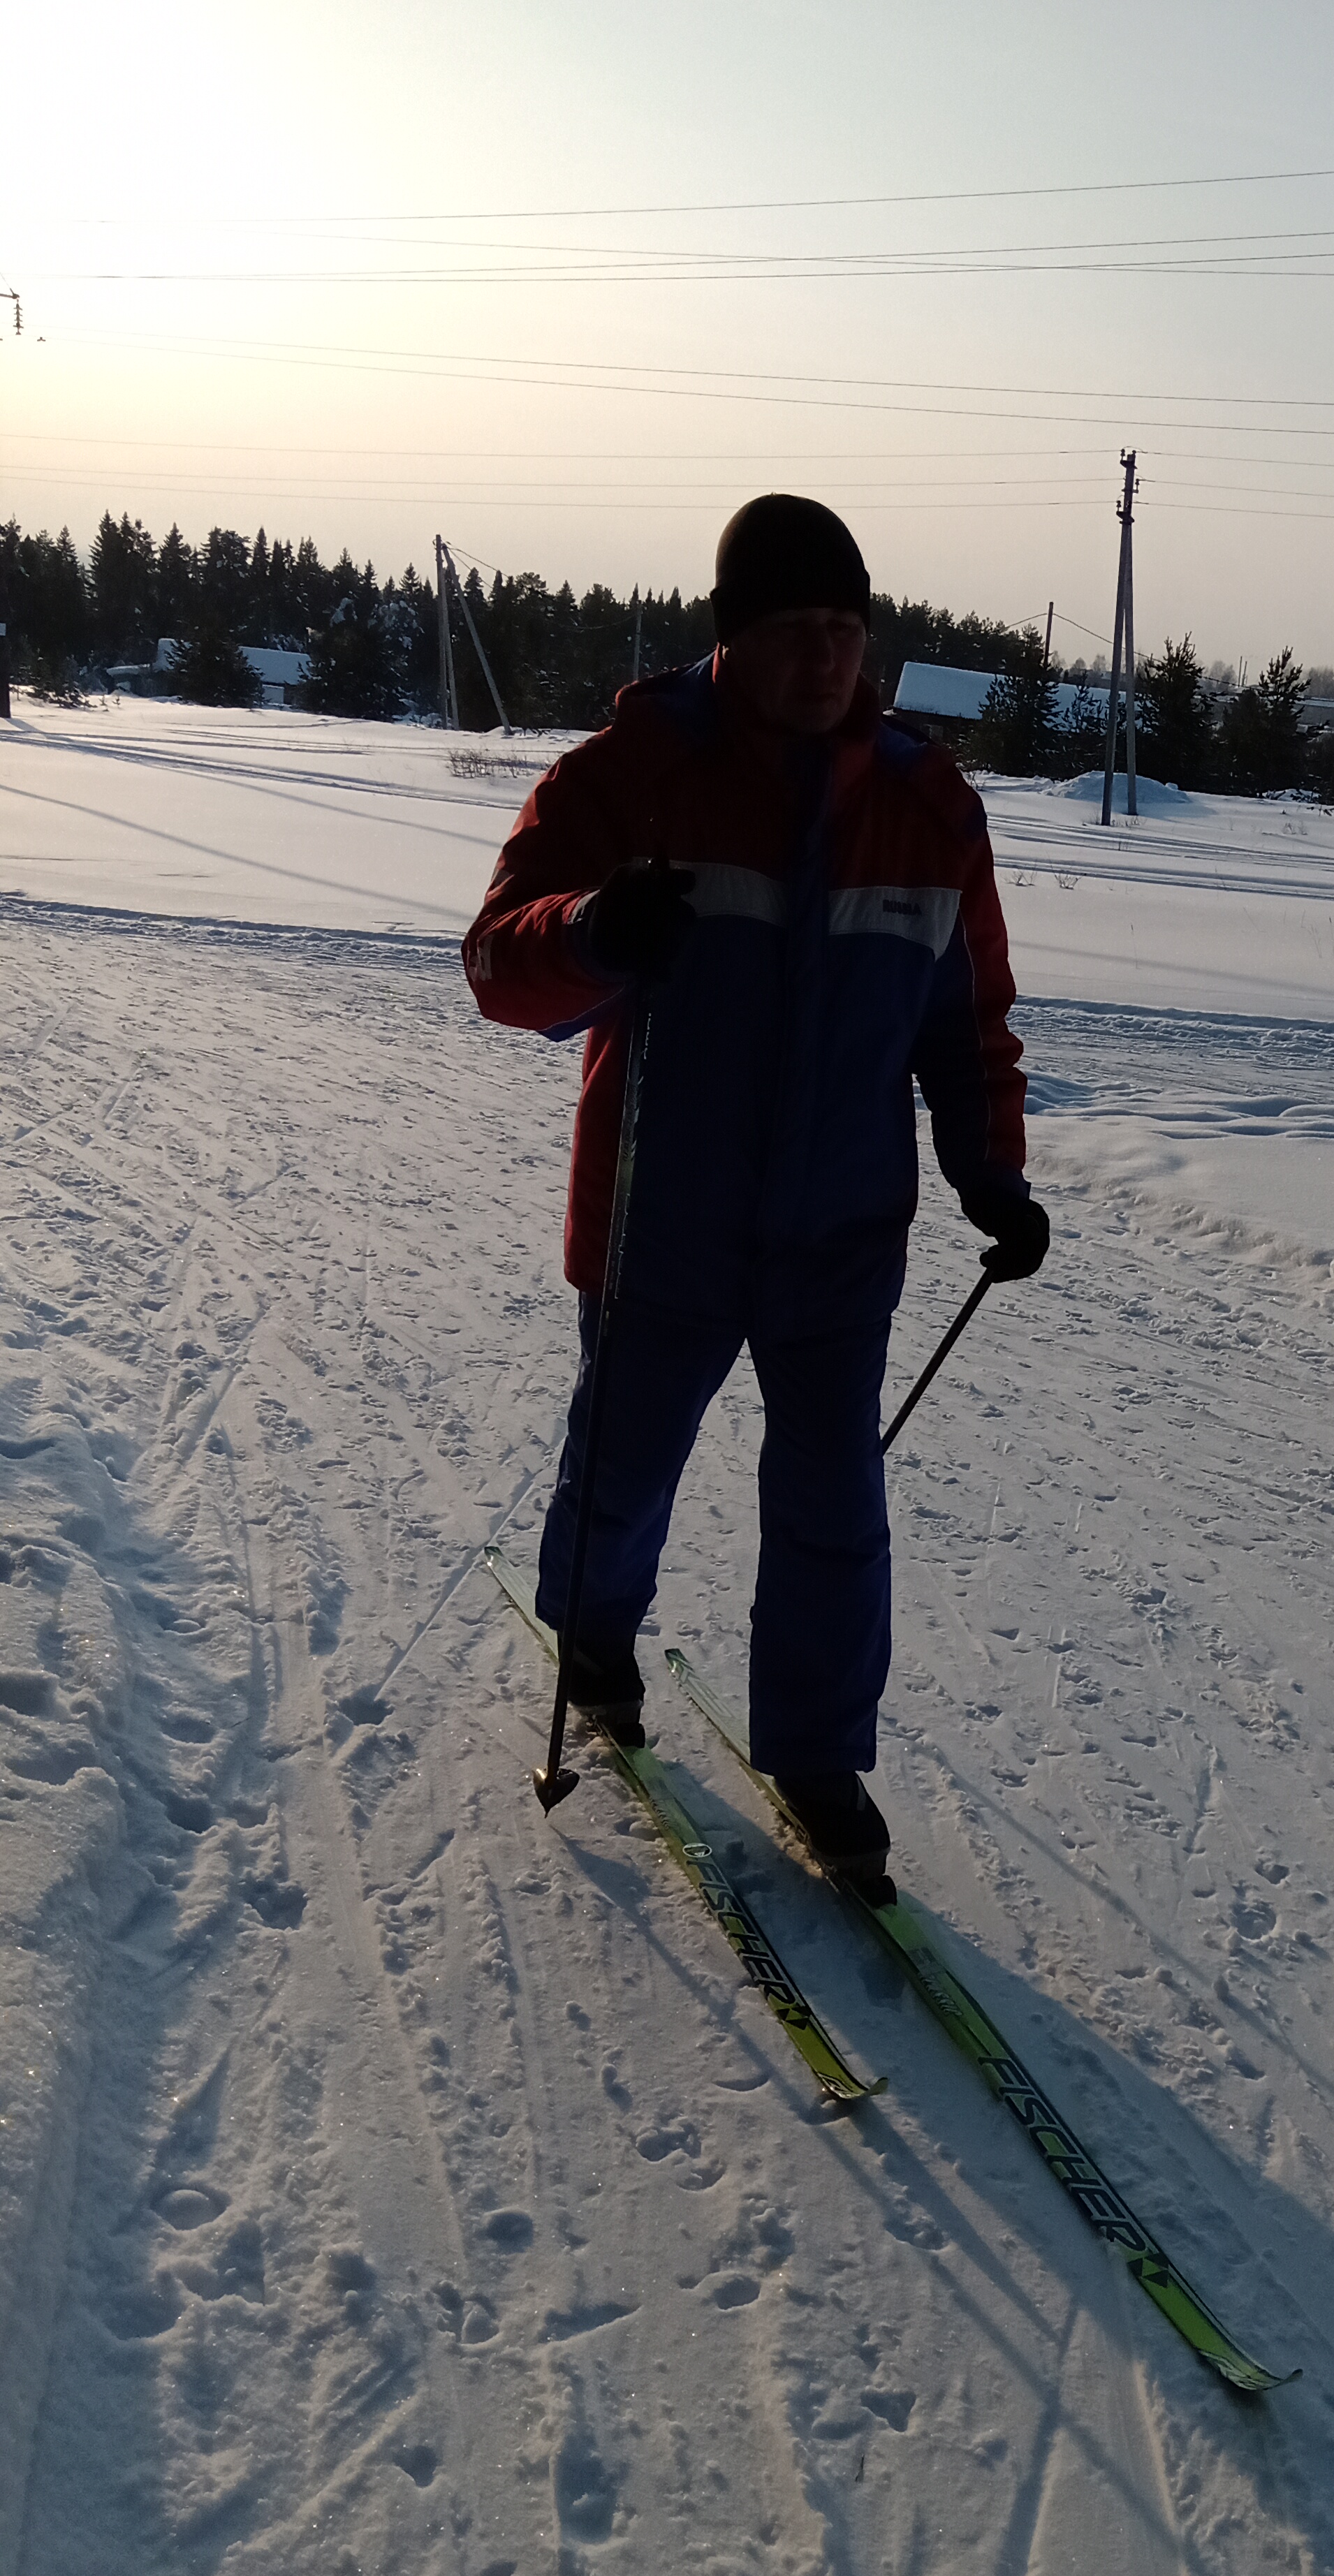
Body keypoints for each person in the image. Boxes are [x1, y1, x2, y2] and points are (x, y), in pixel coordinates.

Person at [462, 495, 1047, 1885]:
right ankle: (594, 1634)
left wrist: (994, 1177)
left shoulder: (927, 806)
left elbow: (965, 1024)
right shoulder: (633, 774)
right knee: (625, 1459)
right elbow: (499, 965)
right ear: (735, 640)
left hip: (841, 1233)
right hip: (666, 1209)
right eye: (796, 633)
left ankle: (817, 1752)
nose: (826, 660)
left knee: (835, 1501)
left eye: (847, 631)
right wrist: (595, 931)